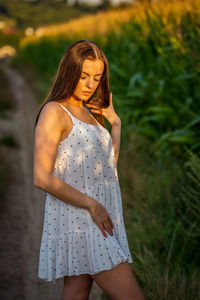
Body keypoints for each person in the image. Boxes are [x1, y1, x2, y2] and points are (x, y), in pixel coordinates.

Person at [34, 40, 145, 300]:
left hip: (96, 219)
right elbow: (41, 177)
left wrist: (115, 123)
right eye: (83, 76)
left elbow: (105, 167)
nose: (90, 84)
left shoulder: (88, 112)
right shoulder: (55, 111)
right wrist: (92, 205)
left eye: (97, 77)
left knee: (75, 292)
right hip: (84, 221)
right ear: (69, 71)